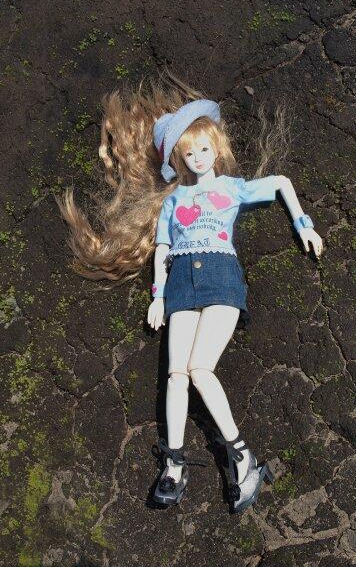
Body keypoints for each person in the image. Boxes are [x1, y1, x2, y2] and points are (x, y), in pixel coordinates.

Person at [55, 69, 324, 514]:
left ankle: (242, 457)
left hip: (220, 278)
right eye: (189, 152)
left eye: (204, 149)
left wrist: (304, 225)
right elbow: (163, 248)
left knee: (200, 369)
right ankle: (174, 465)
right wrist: (158, 295)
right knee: (175, 375)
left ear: (216, 149)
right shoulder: (173, 201)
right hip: (180, 282)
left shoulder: (232, 188)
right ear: (179, 159)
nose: (198, 158)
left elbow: (280, 183)